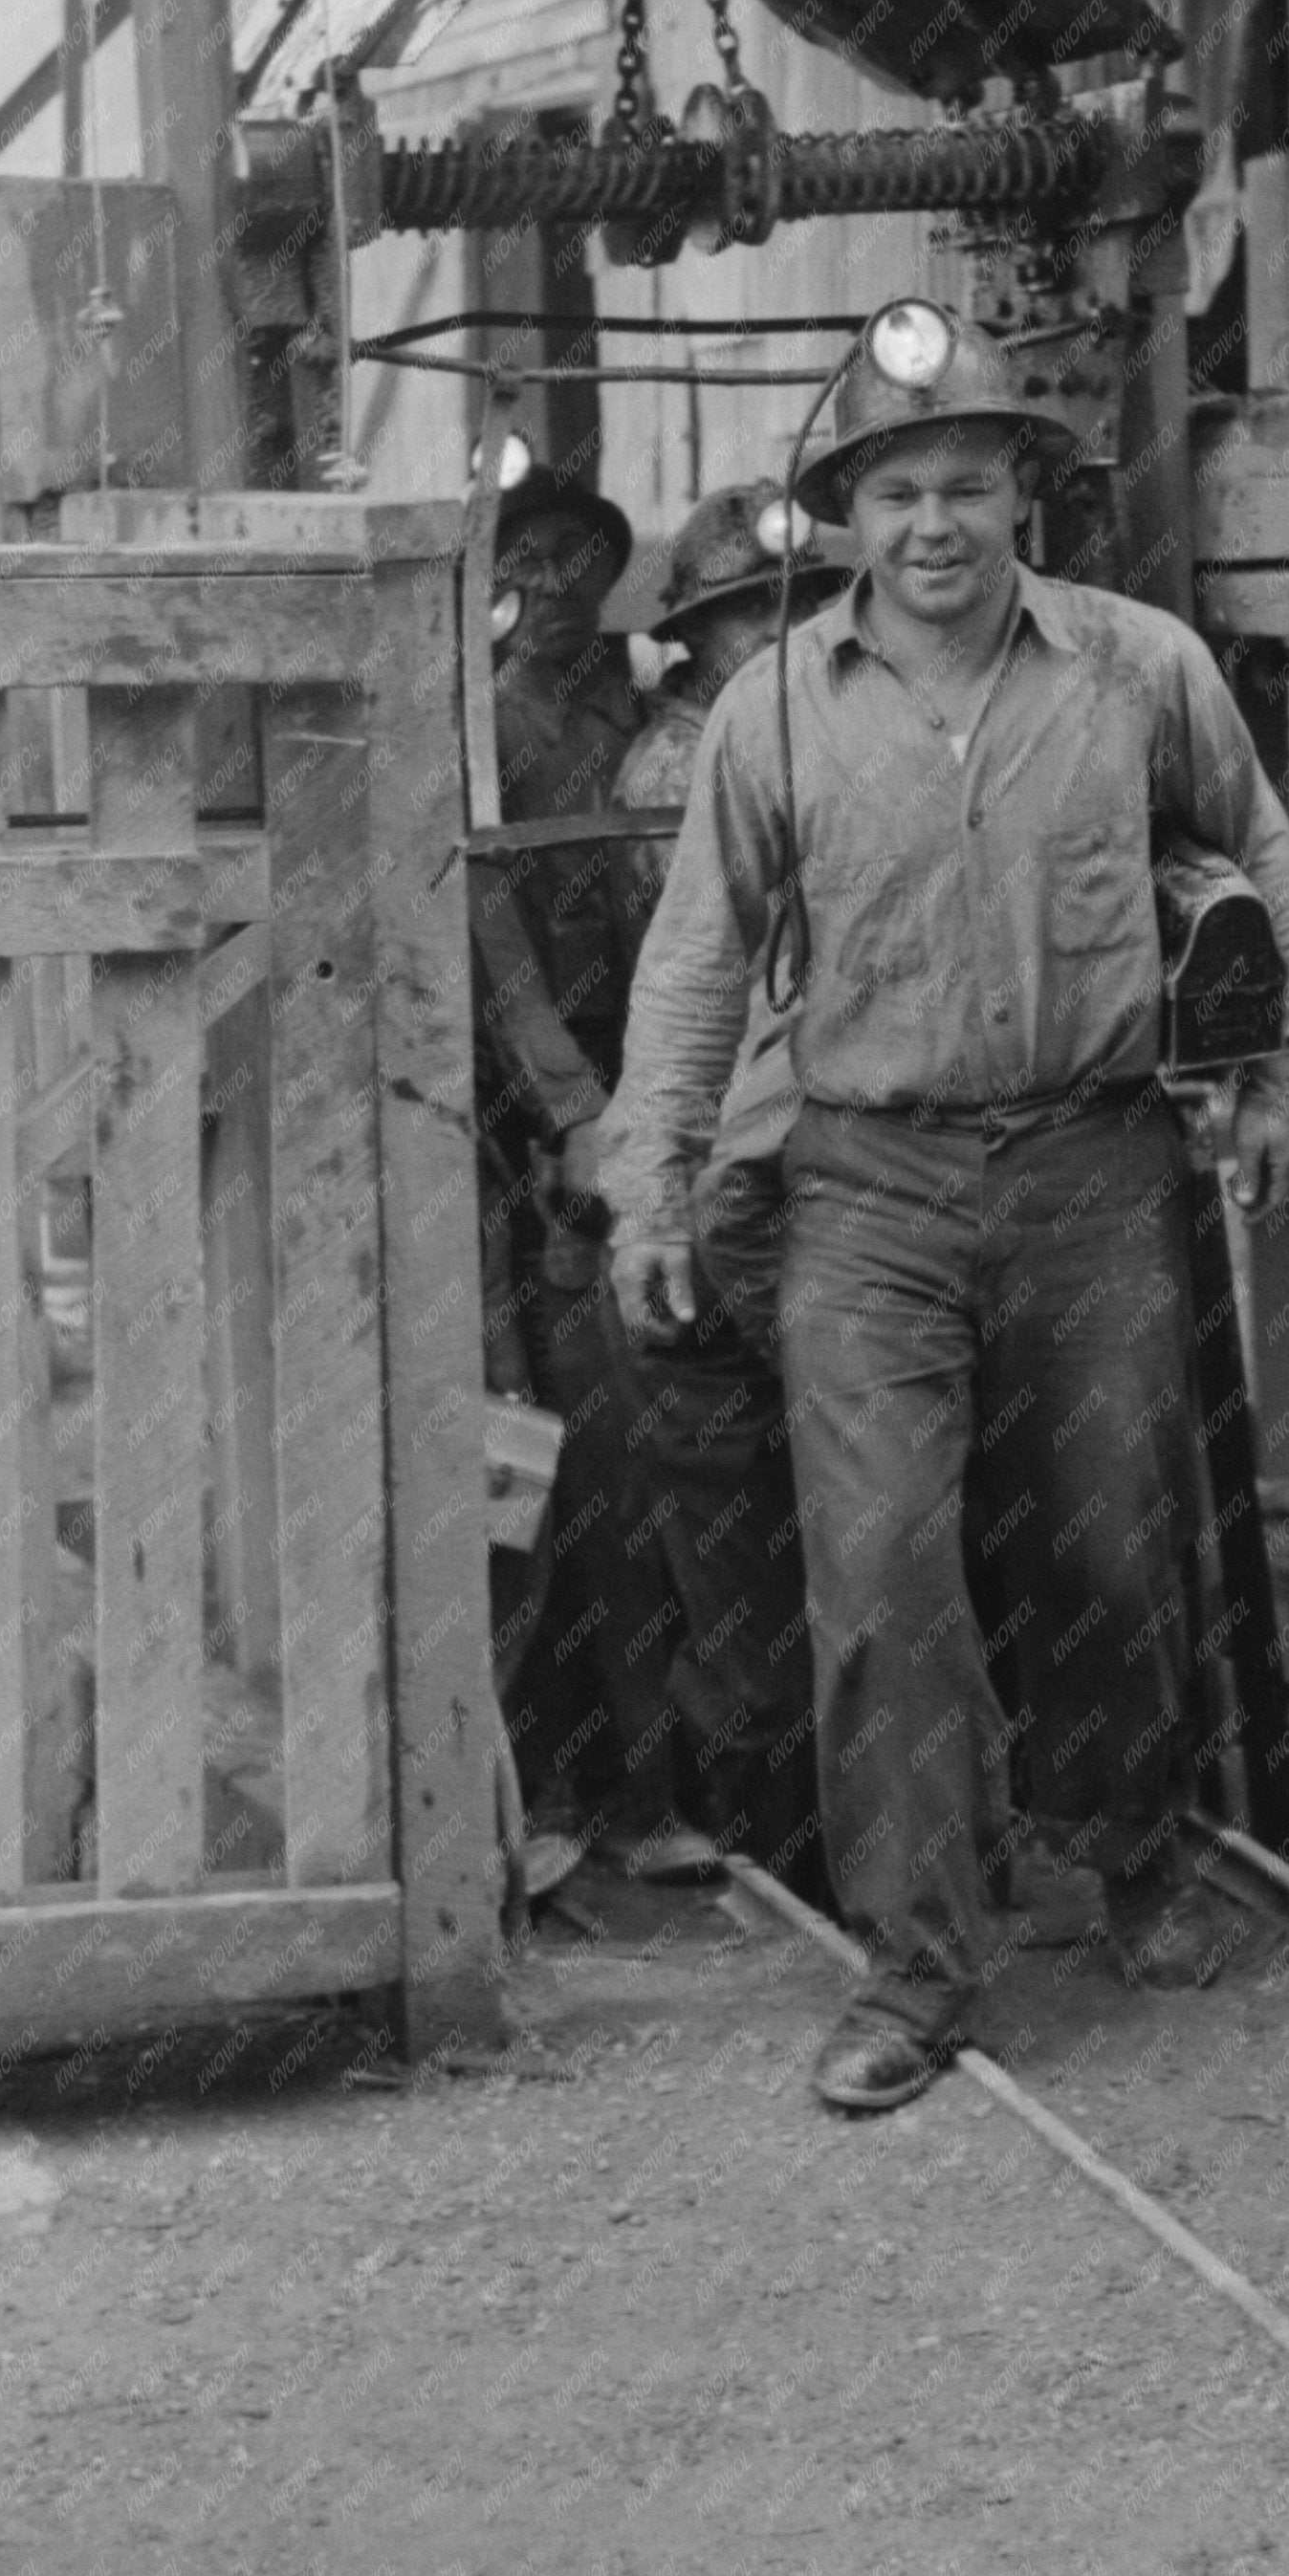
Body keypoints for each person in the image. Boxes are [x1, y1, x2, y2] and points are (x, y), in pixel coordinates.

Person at [604, 298, 1289, 2113]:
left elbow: (1279, 873)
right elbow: (696, 965)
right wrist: (655, 1187)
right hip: (865, 1185)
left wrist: (1263, 1069)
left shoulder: (1141, 671)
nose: (936, 525)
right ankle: (917, 1965)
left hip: (1095, 1166)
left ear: (1030, 502)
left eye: (972, 487)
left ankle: (1136, 1851)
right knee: (882, 1565)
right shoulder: (773, 709)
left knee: (1101, 1540)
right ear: (847, 512)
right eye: (900, 489)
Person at [467, 458, 714, 1882]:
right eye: (530, 560)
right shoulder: (482, 723)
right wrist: (574, 1107)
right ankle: (550, 1792)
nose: (557, 586)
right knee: (535, 1469)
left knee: (646, 1471)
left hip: (657, 1110)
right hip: (525, 1143)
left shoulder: (651, 722)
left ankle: (657, 1792)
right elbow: (495, 940)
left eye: (581, 558)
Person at [605, 484, 849, 1896]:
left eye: (805, 605)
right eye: (755, 615)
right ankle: (750, 1808)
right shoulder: (679, 770)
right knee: (727, 1511)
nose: (789, 630)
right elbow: (703, 979)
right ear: (693, 640)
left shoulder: (819, 732)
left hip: (817, 1158)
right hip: (718, 1157)